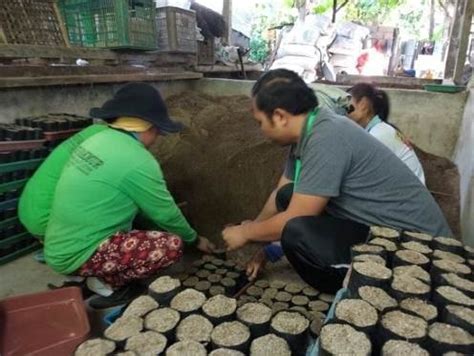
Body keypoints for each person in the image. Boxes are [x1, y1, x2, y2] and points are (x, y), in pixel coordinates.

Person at [222, 70, 452, 293]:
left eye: (260, 122)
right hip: (380, 229)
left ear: (280, 116)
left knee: (295, 233)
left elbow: (294, 218)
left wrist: (247, 233)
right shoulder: (307, 134)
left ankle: (369, 289)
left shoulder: (326, 137)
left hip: (418, 249)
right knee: (287, 196)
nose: (261, 130)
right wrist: (255, 239)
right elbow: (280, 193)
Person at [20, 83, 214, 307]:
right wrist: (195, 239)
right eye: (158, 131)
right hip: (78, 253)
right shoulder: (138, 160)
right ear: (148, 127)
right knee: (170, 246)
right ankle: (115, 287)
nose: (158, 137)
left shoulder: (95, 140)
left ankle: (93, 275)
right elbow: (167, 215)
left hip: (55, 244)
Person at [347, 83, 425, 184]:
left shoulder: (376, 136)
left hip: (406, 195)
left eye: (347, 106)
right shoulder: (380, 129)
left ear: (363, 105)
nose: (343, 112)